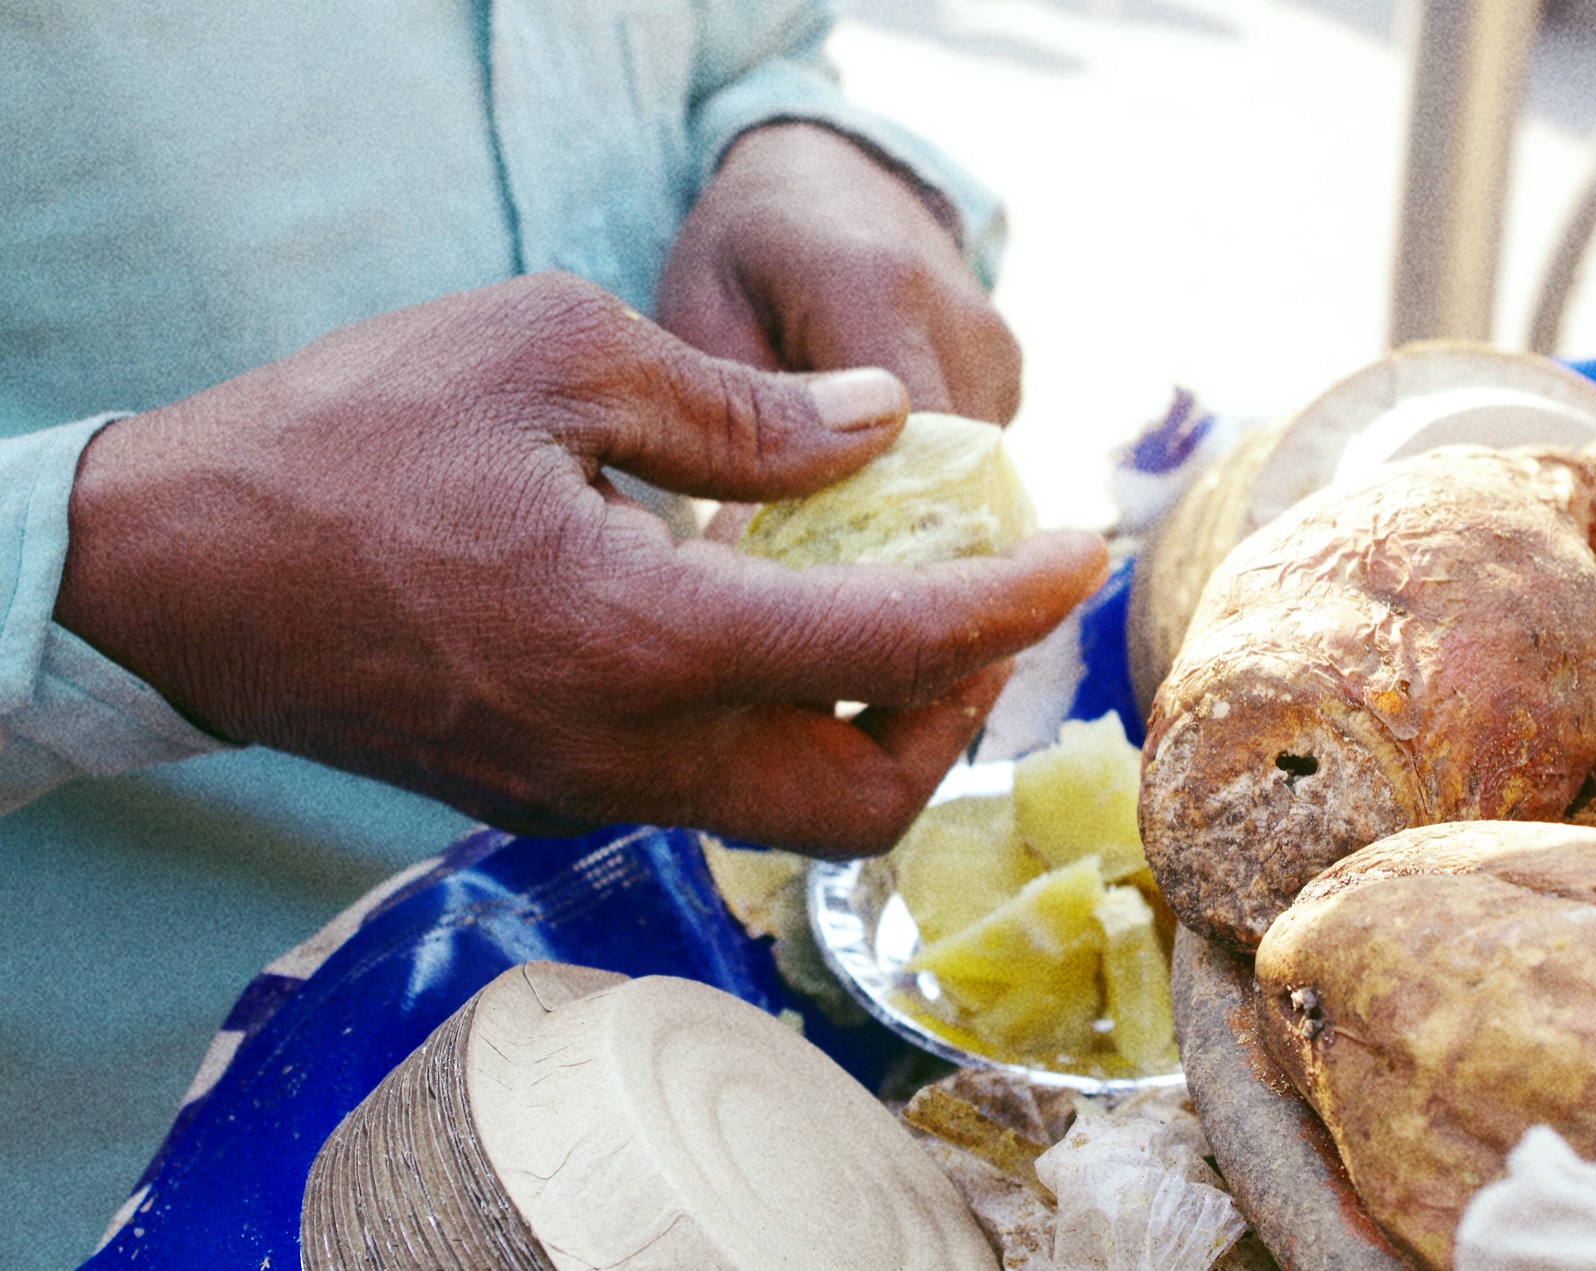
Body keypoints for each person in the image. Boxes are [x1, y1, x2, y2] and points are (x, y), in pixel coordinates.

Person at [0, 2, 1105, 1265]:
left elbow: (742, 44)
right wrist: (135, 580)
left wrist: (795, 144)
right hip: (129, 1168)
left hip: (719, 1056)